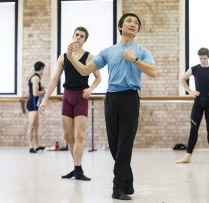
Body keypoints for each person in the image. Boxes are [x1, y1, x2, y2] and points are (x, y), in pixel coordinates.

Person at [67, 13, 158, 200]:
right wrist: (70, 57)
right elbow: (86, 70)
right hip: (112, 99)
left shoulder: (141, 51)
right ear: (120, 27)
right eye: (129, 21)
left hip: (130, 98)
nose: (133, 24)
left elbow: (154, 72)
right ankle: (128, 183)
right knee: (115, 145)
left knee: (125, 144)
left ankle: (117, 188)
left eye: (136, 23)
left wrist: (134, 60)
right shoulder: (109, 51)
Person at [39, 27, 101, 181]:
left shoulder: (89, 57)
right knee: (68, 136)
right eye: (77, 35)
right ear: (72, 36)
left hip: (81, 97)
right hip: (67, 97)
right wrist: (45, 99)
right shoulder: (63, 57)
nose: (79, 38)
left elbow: (98, 78)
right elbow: (55, 79)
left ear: (85, 40)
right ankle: (76, 167)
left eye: (82, 36)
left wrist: (91, 88)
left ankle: (78, 169)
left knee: (79, 135)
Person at [26, 61, 46, 153]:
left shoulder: (36, 77)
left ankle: (37, 146)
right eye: (43, 69)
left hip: (35, 104)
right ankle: (31, 147)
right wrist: (44, 92)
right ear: (41, 68)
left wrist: (41, 90)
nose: (43, 71)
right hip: (32, 104)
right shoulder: (35, 78)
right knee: (32, 126)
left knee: (36, 126)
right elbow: (35, 93)